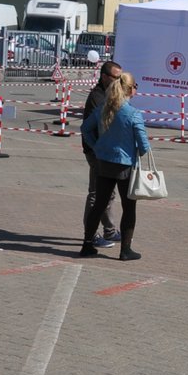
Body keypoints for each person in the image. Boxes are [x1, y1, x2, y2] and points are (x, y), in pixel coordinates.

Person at [80, 72, 150, 261]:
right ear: (129, 89)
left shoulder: (103, 107)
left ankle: (87, 245)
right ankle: (125, 250)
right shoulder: (134, 114)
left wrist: (96, 146)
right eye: (136, 87)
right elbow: (144, 146)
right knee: (129, 208)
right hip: (125, 165)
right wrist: (137, 149)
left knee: (99, 204)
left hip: (103, 162)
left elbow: (85, 128)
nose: (136, 90)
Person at [81, 60, 123, 248]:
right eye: (116, 77)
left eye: (120, 77)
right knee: (96, 193)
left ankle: (109, 230)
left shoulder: (110, 93)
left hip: (106, 152)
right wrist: (96, 149)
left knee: (108, 194)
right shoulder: (97, 97)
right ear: (105, 77)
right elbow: (89, 128)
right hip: (97, 152)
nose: (118, 81)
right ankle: (90, 234)